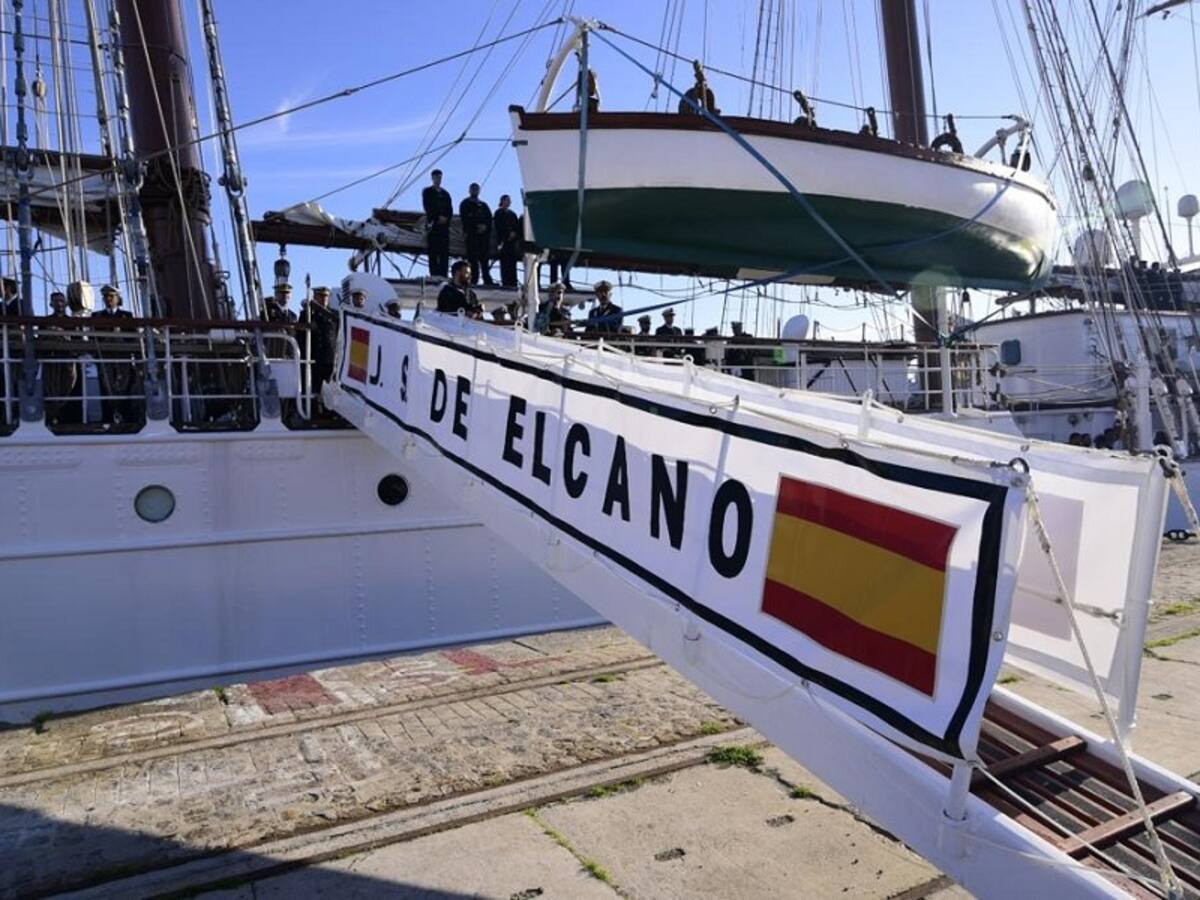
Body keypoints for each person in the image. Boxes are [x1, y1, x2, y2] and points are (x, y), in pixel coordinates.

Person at [92, 285, 139, 425]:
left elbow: (133, 336)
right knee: (106, 386)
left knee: (125, 385)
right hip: (106, 357)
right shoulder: (96, 316)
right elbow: (94, 338)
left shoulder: (127, 316)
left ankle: (127, 417)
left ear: (118, 298)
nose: (108, 299)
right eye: (106, 296)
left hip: (123, 357)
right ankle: (108, 418)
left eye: (111, 296)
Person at [300, 286, 339, 413]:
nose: (323, 299)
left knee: (329, 388)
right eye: (320, 297)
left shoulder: (334, 315)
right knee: (314, 387)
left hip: (329, 358)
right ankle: (315, 411)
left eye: (325, 297)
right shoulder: (308, 314)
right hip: (314, 357)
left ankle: (329, 411)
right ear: (315, 298)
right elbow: (300, 336)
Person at [43, 291, 79, 426]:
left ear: (66, 304)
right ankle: (52, 416)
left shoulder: (72, 322)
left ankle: (66, 417)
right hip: (51, 360)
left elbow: (78, 341)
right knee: (50, 388)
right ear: (51, 304)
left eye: (61, 301)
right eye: (56, 301)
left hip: (67, 360)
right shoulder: (45, 321)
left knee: (68, 386)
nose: (59, 304)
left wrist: (62, 335)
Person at [459, 183, 494, 286]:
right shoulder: (465, 203)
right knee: (473, 258)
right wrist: (475, 227)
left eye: (476, 189)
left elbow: (489, 218)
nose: (475, 191)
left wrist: (485, 227)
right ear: (469, 191)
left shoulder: (483, 205)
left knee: (484, 259)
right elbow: (465, 219)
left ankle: (487, 279)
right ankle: (474, 279)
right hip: (472, 235)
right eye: (473, 189)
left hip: (483, 237)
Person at [422, 169, 453, 278]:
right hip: (433, 224)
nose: (438, 179)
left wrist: (446, 218)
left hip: (444, 227)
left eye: (439, 177)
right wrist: (436, 217)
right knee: (433, 250)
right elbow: (427, 206)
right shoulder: (427, 191)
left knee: (444, 251)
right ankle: (434, 273)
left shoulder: (445, 194)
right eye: (436, 177)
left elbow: (450, 209)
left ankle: (443, 273)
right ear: (432, 178)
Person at [493, 194, 521, 288]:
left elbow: (517, 227)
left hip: (512, 243)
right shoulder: (498, 213)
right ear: (502, 201)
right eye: (507, 200)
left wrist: (514, 235)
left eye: (509, 200)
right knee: (504, 263)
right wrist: (506, 235)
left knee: (512, 263)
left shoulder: (513, 214)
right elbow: (498, 227)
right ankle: (505, 282)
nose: (509, 202)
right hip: (503, 242)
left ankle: (513, 282)